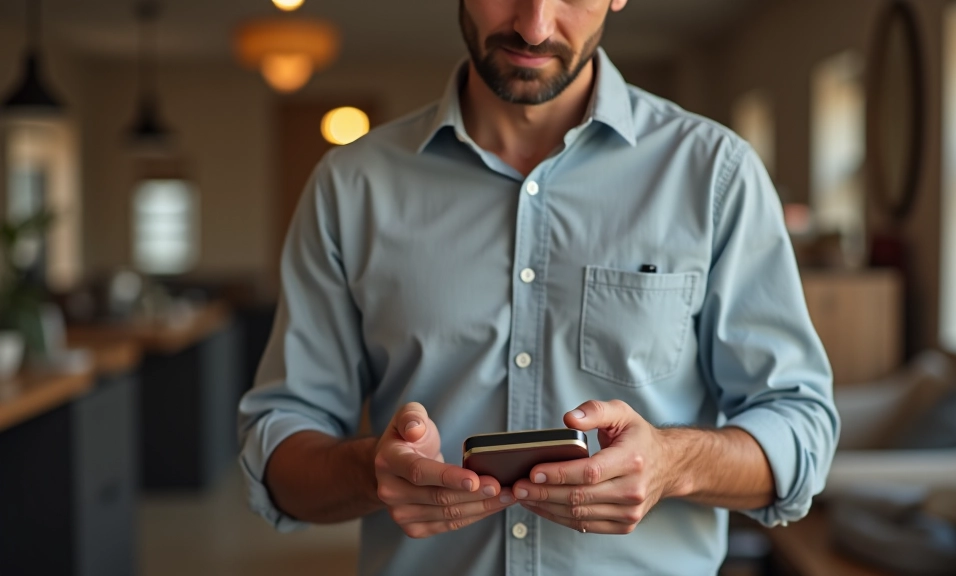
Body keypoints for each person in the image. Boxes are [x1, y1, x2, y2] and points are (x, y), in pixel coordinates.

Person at [238, 0, 839, 574]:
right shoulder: (350, 187)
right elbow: (280, 453)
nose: (533, 27)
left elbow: (802, 432)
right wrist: (373, 472)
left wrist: (672, 463)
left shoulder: (715, 174)